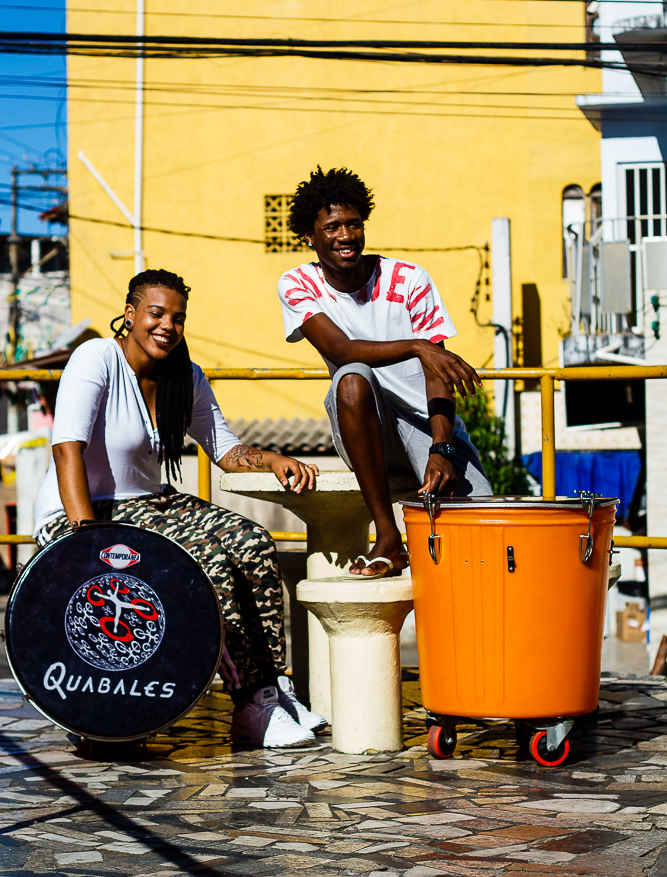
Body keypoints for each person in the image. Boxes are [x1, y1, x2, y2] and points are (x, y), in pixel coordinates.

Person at [34, 268, 326, 748]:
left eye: (178, 317)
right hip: (85, 512)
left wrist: (272, 458)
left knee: (252, 542)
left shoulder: (183, 377)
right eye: (156, 313)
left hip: (151, 504)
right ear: (130, 315)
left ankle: (272, 691)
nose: (167, 325)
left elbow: (227, 452)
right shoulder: (97, 357)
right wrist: (87, 540)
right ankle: (250, 700)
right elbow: (67, 449)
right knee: (207, 562)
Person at [277, 166, 492, 578]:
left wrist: (442, 448)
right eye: (333, 226)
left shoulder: (409, 279)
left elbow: (437, 373)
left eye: (354, 224)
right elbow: (339, 349)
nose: (345, 235)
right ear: (309, 234)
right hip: (364, 425)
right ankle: (388, 538)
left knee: (479, 543)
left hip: (428, 424)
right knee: (351, 375)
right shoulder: (298, 282)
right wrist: (416, 345)